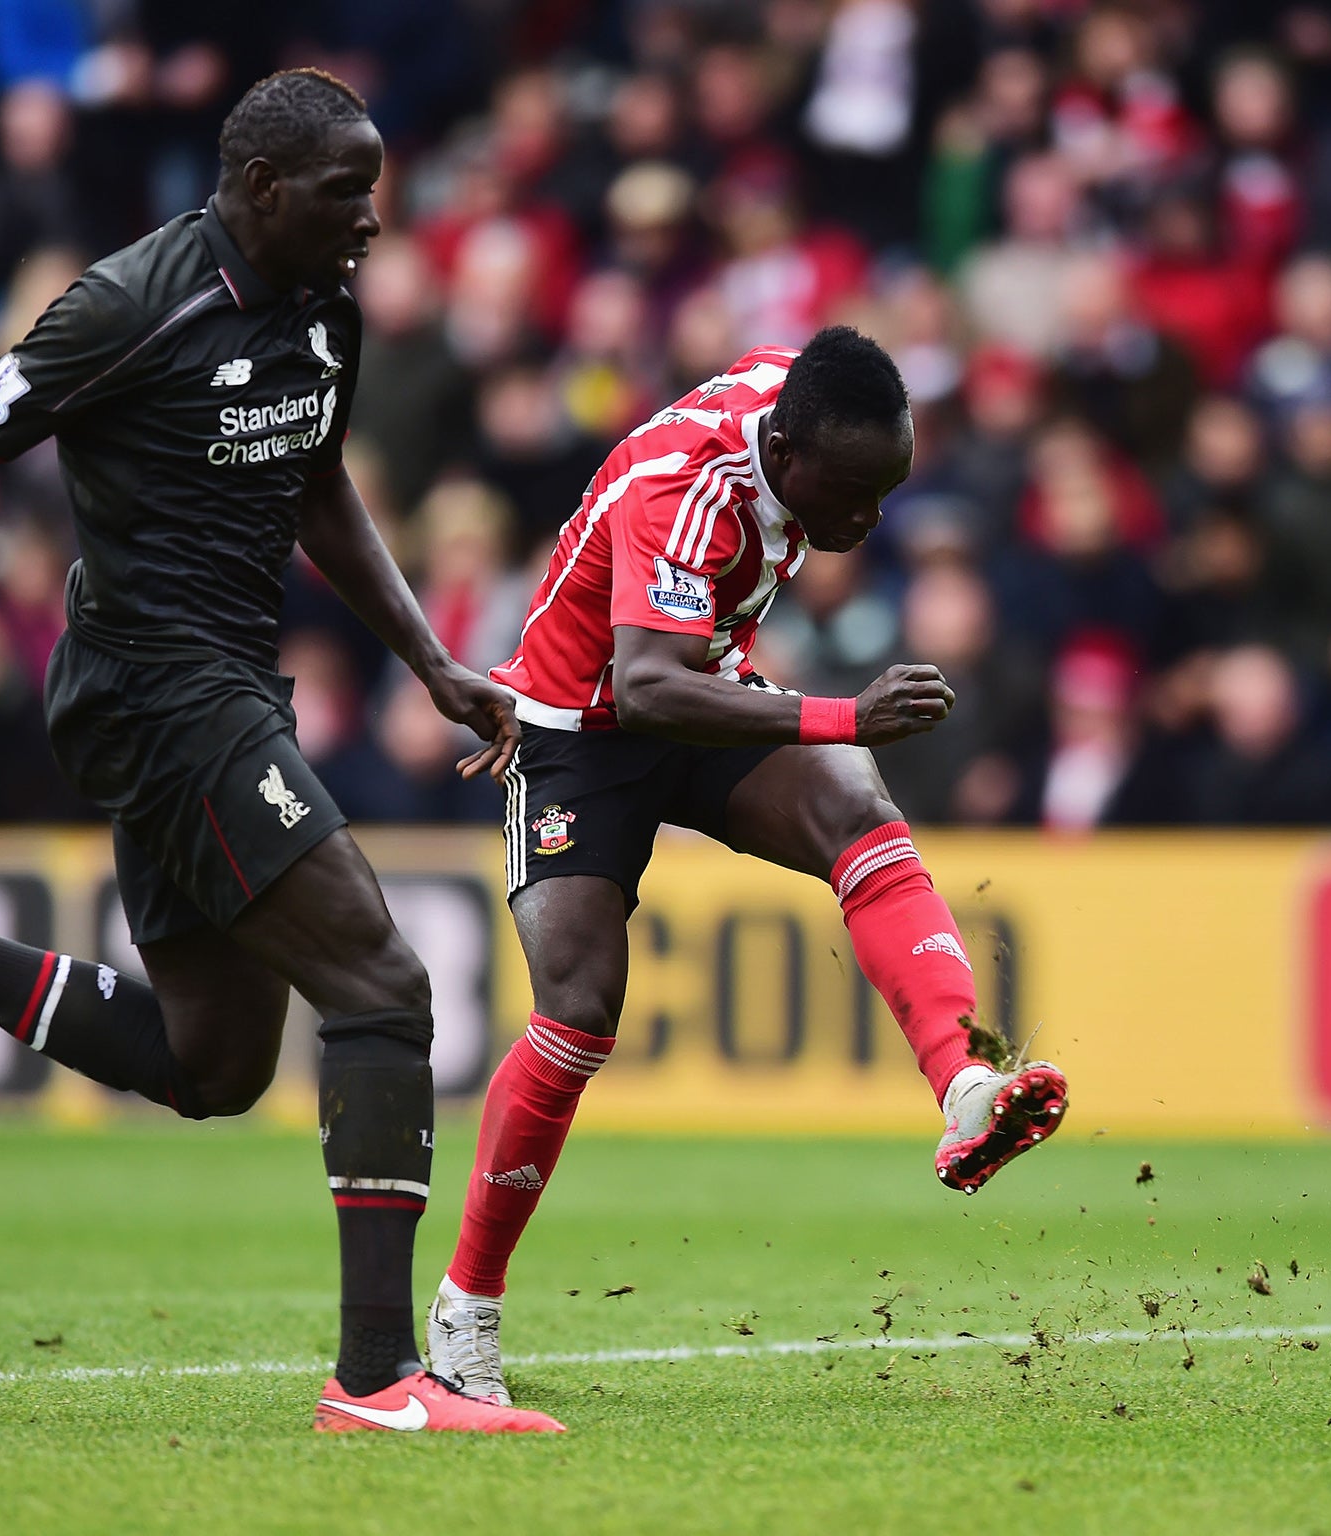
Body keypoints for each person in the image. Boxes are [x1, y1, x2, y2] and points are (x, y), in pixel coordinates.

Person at [0, 68, 559, 1437]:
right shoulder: (128, 301)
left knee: (211, 1066)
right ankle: (376, 1381)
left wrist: (432, 663)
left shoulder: (325, 310)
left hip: (222, 687)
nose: (374, 214)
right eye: (349, 191)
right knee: (384, 981)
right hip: (152, 689)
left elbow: (320, 487)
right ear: (263, 189)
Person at [424, 327, 1070, 1405]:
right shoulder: (686, 490)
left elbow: (684, 668)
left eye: (887, 489)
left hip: (699, 683)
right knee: (581, 1007)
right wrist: (840, 712)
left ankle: (964, 1086)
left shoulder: (798, 395)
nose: (867, 522)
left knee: (858, 815)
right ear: (789, 454)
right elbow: (641, 690)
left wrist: (822, 729)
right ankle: (463, 1315)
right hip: (581, 727)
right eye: (856, 497)